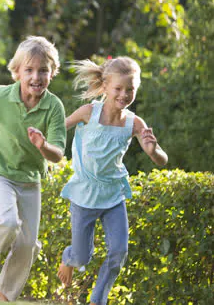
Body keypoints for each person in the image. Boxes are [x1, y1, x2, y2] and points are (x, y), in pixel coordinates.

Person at [0, 36, 66, 302]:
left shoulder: (54, 107)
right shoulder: (0, 96)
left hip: (30, 180)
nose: (36, 76)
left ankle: (3, 295)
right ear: (17, 72)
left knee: (28, 244)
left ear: (52, 73)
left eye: (43, 70)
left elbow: (58, 154)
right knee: (7, 221)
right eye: (29, 70)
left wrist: (43, 146)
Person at [57, 57, 168, 305]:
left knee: (119, 252)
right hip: (85, 194)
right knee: (82, 257)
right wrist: (41, 141)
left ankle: (98, 300)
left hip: (113, 195)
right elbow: (59, 128)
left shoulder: (134, 123)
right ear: (105, 86)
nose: (124, 94)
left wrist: (153, 151)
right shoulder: (88, 113)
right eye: (118, 88)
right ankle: (69, 257)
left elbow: (162, 159)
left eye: (130, 89)